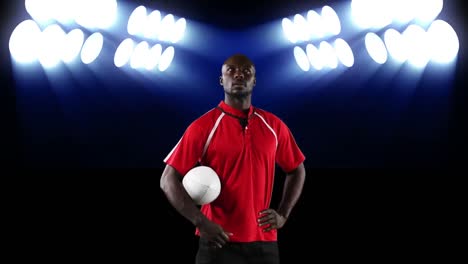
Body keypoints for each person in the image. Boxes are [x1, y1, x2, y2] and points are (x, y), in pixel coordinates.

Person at [160, 53, 306, 264]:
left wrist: (283, 214)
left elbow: (297, 169)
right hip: (217, 241)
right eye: (231, 70)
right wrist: (200, 221)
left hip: (264, 243)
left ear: (254, 81)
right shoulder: (203, 126)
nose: (239, 75)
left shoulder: (273, 126)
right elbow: (167, 179)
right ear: (222, 80)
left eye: (246, 72)